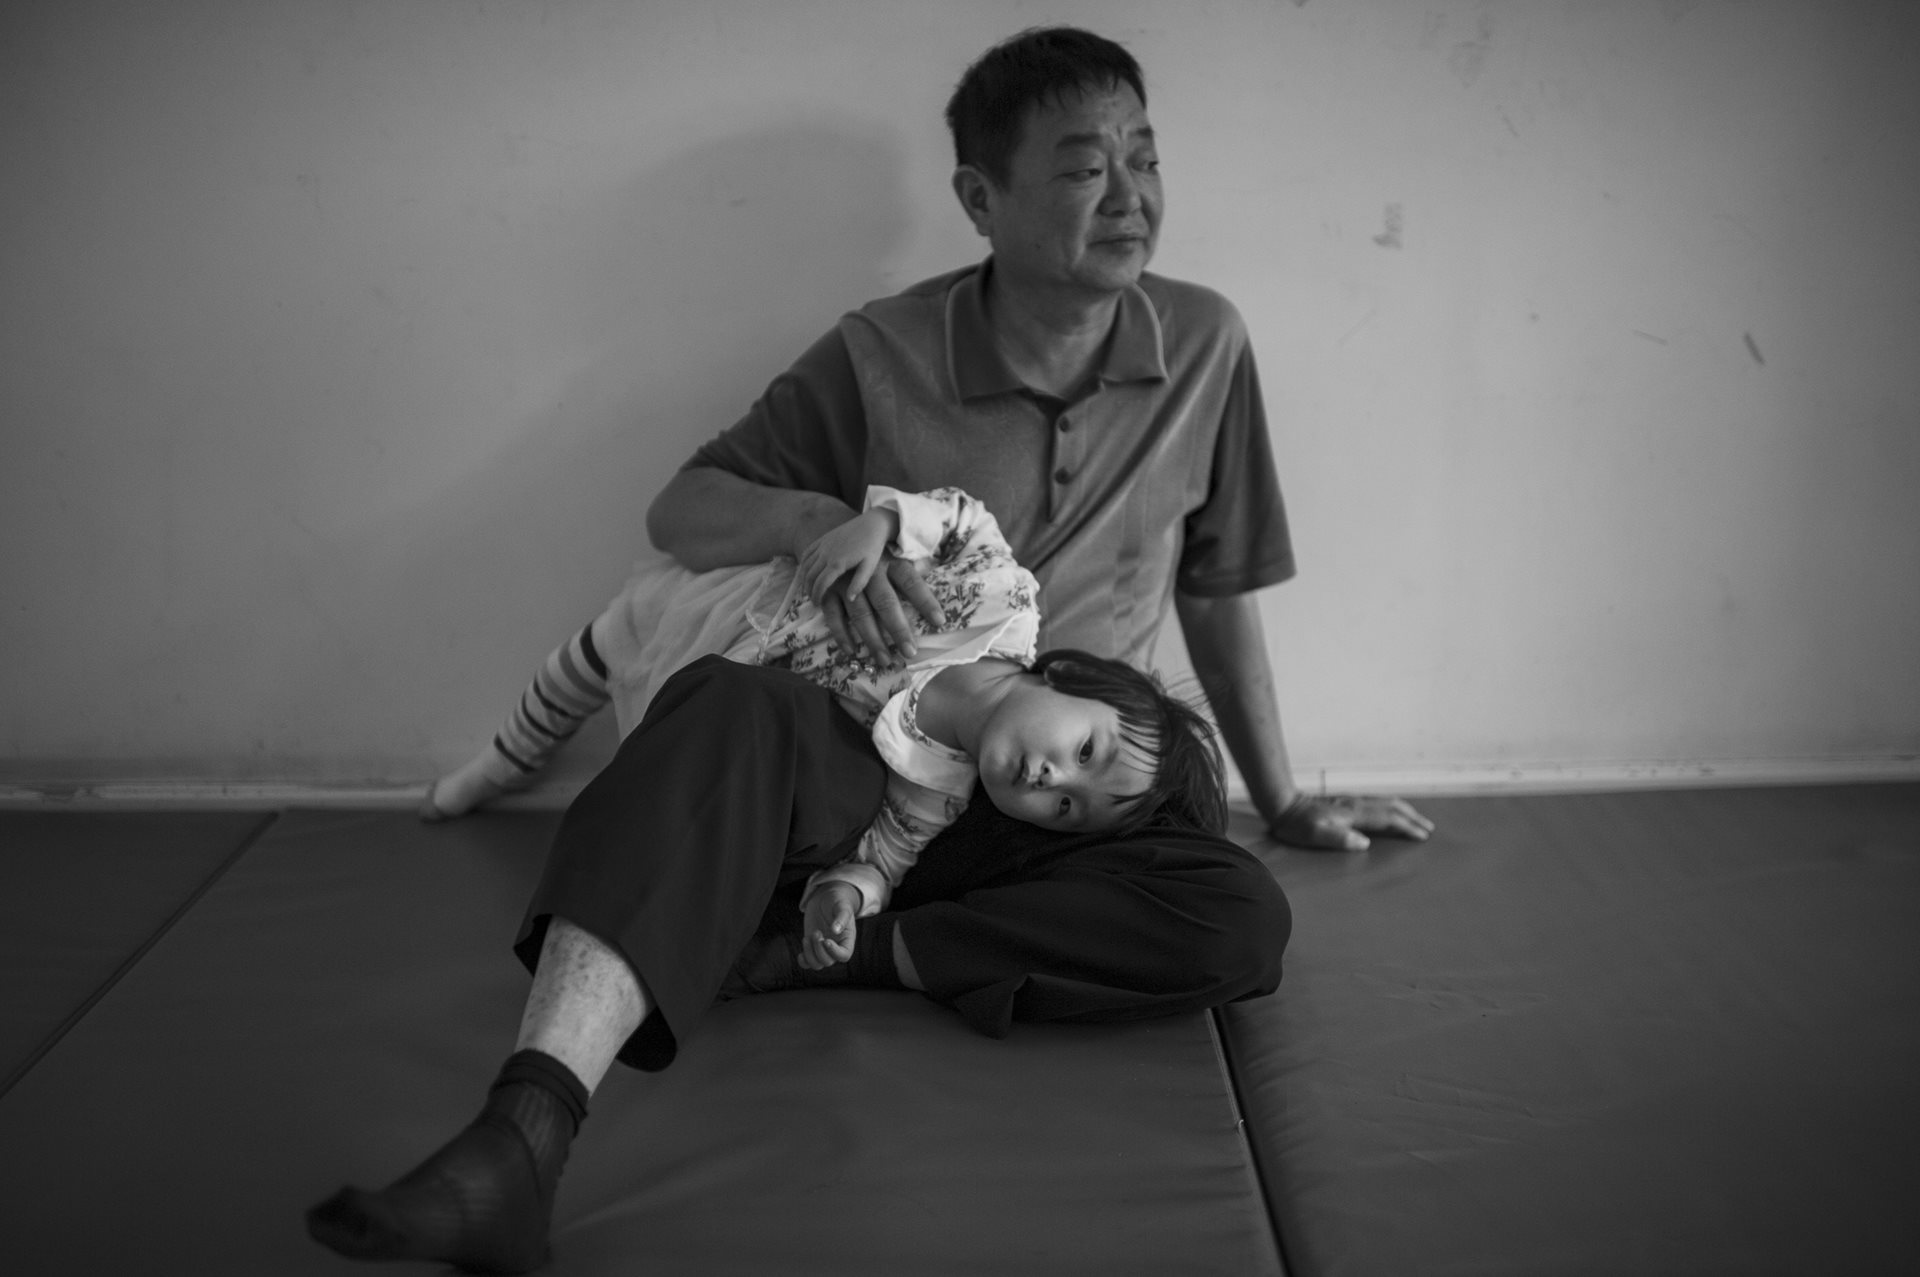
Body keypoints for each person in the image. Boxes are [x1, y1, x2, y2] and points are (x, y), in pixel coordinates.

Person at [418, 483, 1225, 969]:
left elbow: (883, 860)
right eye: (1086, 750)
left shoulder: (932, 794)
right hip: (727, 606)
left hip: (710, 701)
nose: (1055, 780)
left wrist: (841, 898)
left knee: (643, 720)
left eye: (1067, 809)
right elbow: (959, 520)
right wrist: (878, 527)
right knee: (584, 660)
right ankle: (498, 764)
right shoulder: (1002, 601)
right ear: (1074, 678)